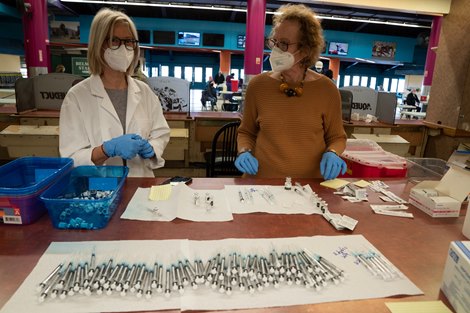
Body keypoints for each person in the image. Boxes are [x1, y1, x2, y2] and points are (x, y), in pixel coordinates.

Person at [235, 4, 347, 180]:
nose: (276, 49)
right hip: (261, 184)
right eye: (275, 42)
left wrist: (333, 152)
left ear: (305, 50)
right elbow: (246, 132)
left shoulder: (327, 90)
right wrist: (244, 151)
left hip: (309, 188)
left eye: (284, 44)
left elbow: (337, 137)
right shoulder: (258, 86)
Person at [59, 8, 170, 177]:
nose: (124, 48)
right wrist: (106, 150)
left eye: (129, 41)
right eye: (114, 41)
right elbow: (71, 158)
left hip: (141, 184)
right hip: (99, 191)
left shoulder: (144, 92)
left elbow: (160, 132)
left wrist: (152, 148)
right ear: (99, 44)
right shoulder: (77, 97)